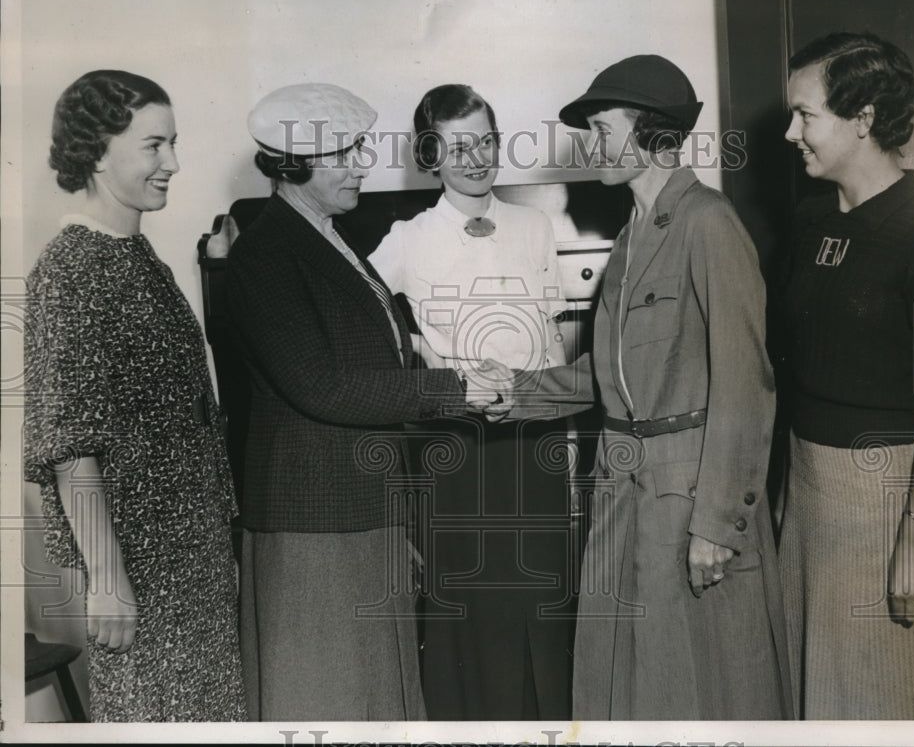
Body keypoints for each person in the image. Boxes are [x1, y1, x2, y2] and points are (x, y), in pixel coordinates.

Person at [505, 55, 792, 719]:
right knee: (623, 684)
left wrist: (718, 523)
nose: (590, 144)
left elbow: (746, 386)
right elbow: (607, 377)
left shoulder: (709, 223)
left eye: (603, 128)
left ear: (654, 132)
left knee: (699, 686)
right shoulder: (630, 239)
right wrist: (512, 392)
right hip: (622, 488)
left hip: (689, 497)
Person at [225, 82, 508, 721]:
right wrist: (454, 388)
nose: (362, 164)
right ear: (294, 166)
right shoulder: (264, 254)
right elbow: (321, 385)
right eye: (343, 154)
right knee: (330, 698)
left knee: (374, 697)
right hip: (311, 522)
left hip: (357, 506)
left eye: (359, 148)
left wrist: (435, 361)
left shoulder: (329, 234)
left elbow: (371, 353)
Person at [22, 70, 246, 721]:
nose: (173, 162)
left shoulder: (140, 257)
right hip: (137, 569)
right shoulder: (69, 271)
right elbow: (68, 448)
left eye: (173, 142)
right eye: (154, 145)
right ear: (97, 150)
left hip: (189, 559)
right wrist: (108, 578)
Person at [779, 32, 914, 721]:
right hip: (810, 494)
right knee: (823, 699)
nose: (789, 132)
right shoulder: (808, 219)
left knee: (896, 700)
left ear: (862, 118)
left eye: (805, 116)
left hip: (890, 495)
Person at [368, 84, 573, 720]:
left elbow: (558, 341)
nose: (476, 158)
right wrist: (434, 364)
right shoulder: (409, 236)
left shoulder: (536, 226)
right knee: (473, 608)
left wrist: (558, 432)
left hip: (533, 444)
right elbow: (363, 319)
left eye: (485, 141)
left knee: (544, 601)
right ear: (432, 155)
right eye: (458, 146)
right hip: (456, 450)